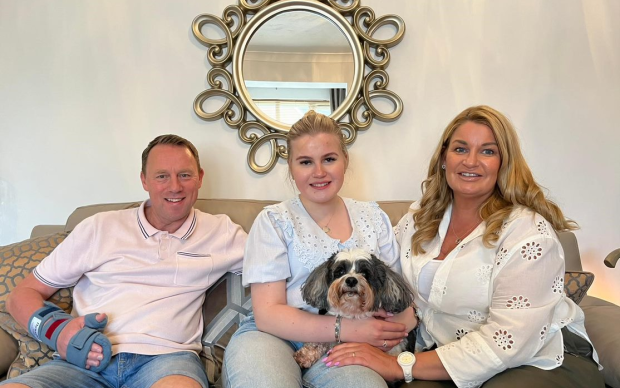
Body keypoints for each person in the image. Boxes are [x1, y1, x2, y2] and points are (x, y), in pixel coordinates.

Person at [322, 105, 604, 387]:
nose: (471, 161)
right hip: (443, 354)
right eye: (460, 149)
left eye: (488, 151)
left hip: (538, 358)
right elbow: (381, 273)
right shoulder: (418, 220)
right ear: (444, 158)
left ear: (504, 163)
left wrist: (400, 364)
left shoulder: (527, 233)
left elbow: (508, 342)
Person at [2, 134, 248, 388]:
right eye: (162, 176)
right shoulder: (99, 227)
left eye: (185, 175)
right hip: (82, 363)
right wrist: (57, 331)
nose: (175, 186)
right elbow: (21, 295)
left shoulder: (222, 232)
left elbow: (278, 269)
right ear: (144, 180)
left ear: (200, 177)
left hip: (167, 362)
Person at [223, 111, 417, 388]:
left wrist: (389, 329)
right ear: (291, 166)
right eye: (305, 162)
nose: (319, 172)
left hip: (353, 341)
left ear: (345, 160)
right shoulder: (274, 221)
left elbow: (399, 300)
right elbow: (268, 313)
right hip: (273, 335)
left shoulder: (374, 218)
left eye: (329, 159)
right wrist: (350, 329)